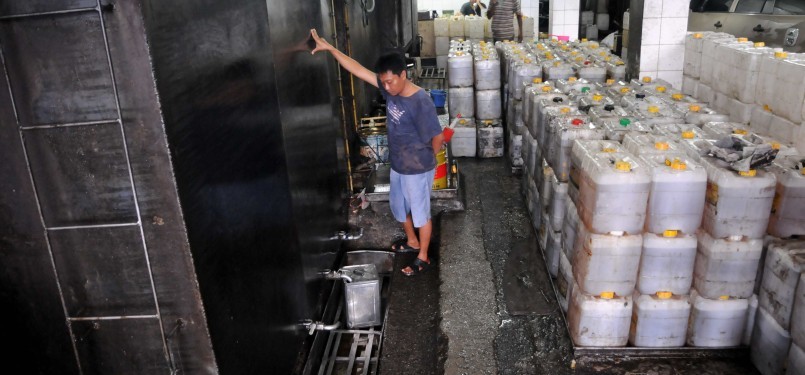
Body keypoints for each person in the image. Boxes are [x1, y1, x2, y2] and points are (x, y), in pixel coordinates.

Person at [309, 29, 445, 277]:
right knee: (398, 207)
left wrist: (427, 164)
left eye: (391, 81)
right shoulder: (388, 87)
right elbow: (357, 69)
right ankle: (412, 241)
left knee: (421, 213)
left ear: (403, 75)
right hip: (398, 166)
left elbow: (437, 137)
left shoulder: (420, 101)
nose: (386, 86)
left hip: (417, 168)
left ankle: (423, 255)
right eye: (383, 81)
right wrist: (330, 48)